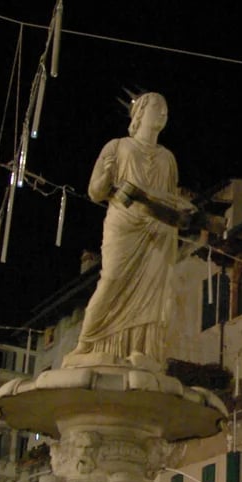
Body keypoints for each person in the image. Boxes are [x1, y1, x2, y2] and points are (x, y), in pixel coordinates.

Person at [63, 92, 194, 367]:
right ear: (140, 112)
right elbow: (95, 192)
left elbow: (169, 198)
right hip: (124, 224)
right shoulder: (117, 146)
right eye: (157, 107)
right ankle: (86, 343)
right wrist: (106, 174)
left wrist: (184, 210)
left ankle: (142, 351)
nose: (163, 113)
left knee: (155, 291)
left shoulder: (167, 158)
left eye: (166, 110)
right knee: (111, 279)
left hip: (157, 230)